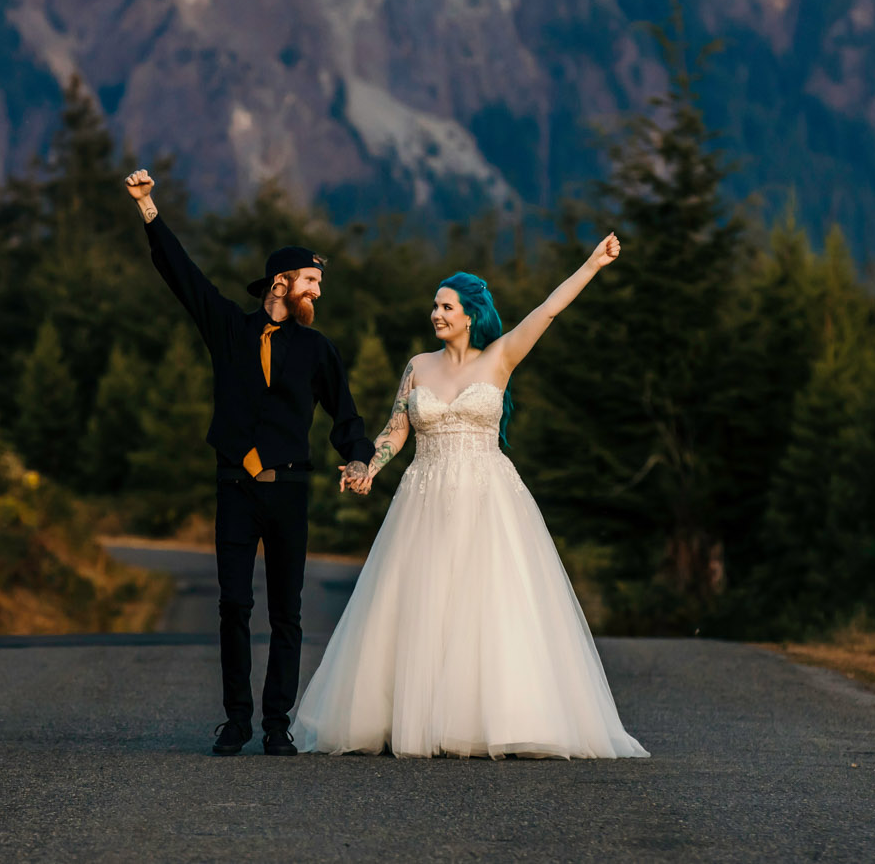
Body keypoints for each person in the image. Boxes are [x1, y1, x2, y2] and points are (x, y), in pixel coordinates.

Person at [293, 237, 650, 759]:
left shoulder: (501, 356)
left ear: (469, 315)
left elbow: (548, 310)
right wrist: (366, 466)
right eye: (435, 305)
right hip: (425, 496)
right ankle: (407, 713)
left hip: (487, 496)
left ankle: (490, 717)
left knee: (488, 604)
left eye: (445, 306)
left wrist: (593, 264)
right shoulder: (418, 365)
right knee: (418, 603)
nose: (435, 313)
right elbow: (397, 428)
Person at [123, 167, 374, 757]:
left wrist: (360, 460)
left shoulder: (317, 348)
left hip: (289, 492)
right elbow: (182, 274)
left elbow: (347, 418)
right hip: (234, 486)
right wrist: (148, 207)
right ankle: (236, 721)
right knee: (233, 605)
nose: (318, 291)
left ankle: (276, 724)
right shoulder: (230, 332)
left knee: (287, 613)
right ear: (281, 282)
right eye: (310, 281)